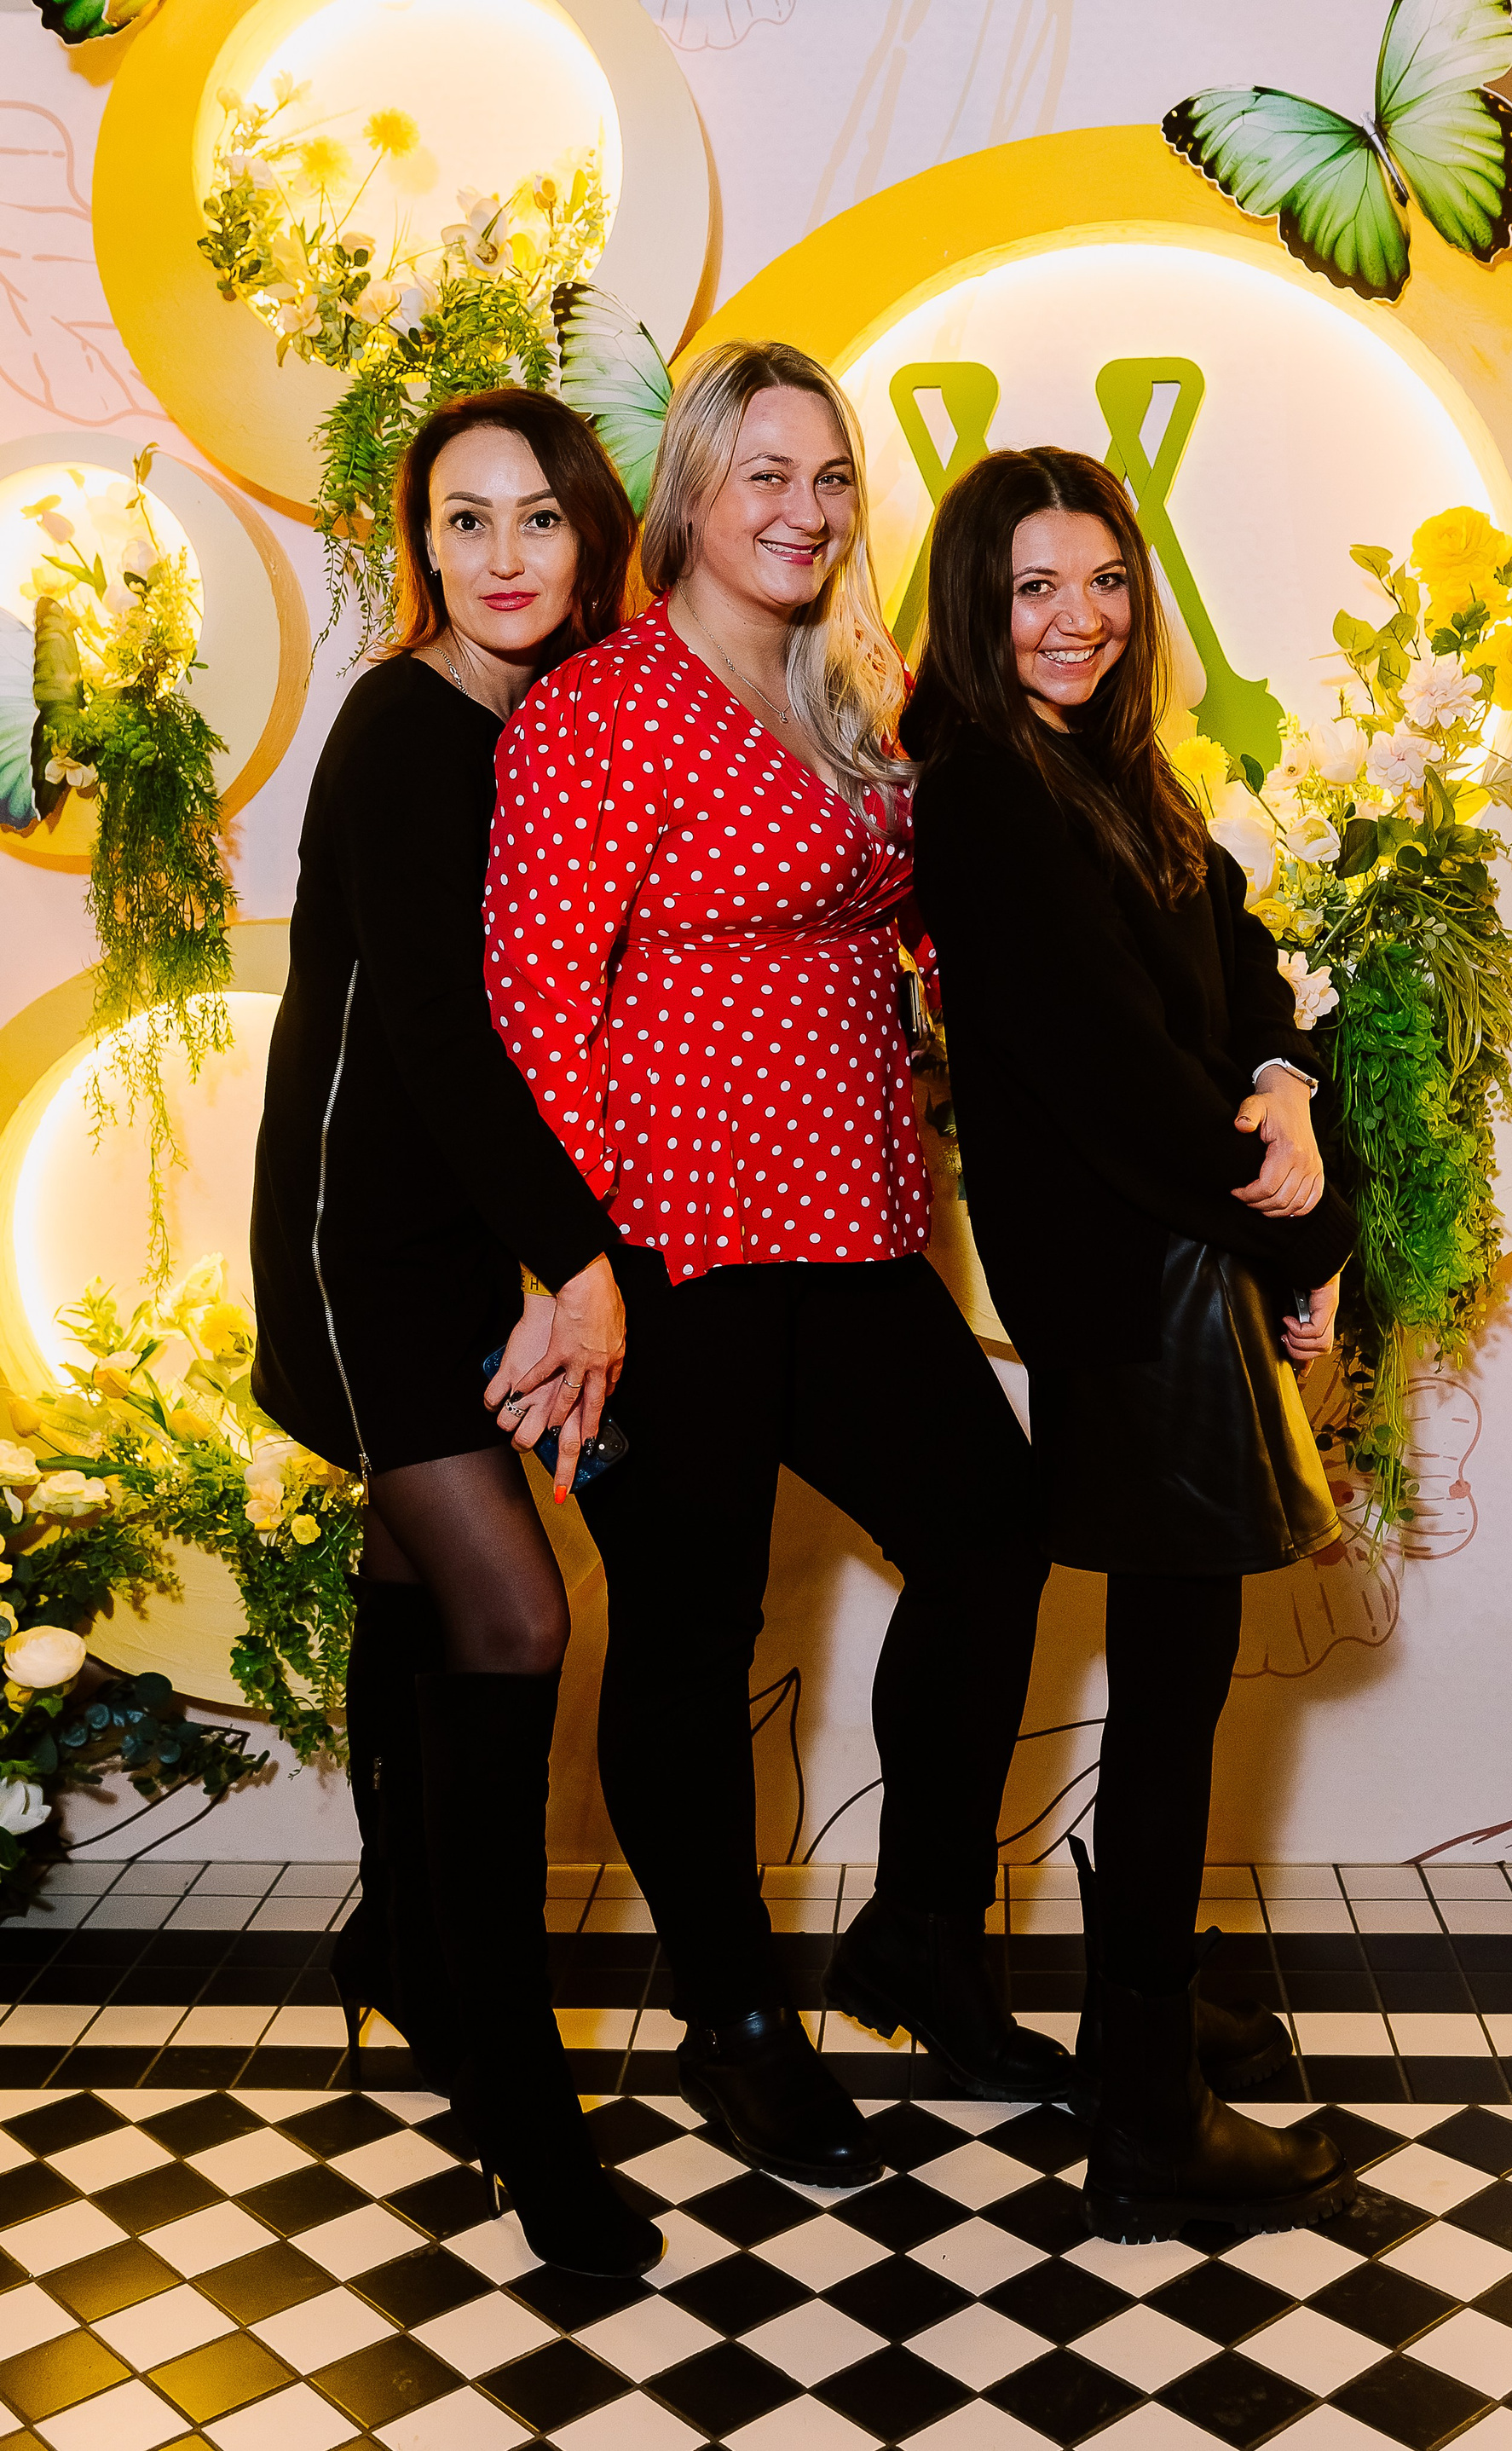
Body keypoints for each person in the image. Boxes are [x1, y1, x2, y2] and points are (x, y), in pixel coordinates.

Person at [482, 340, 1059, 2188]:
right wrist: (571, 1268)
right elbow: (529, 1011)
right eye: (767, 476)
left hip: (854, 1220)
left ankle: (921, 1939)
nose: (805, 512)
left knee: (991, 1529)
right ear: (692, 498)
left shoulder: (849, 692)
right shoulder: (600, 709)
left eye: (831, 479)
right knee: (693, 1628)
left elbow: (931, 915)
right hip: (674, 1242)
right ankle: (733, 2013)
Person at [904, 445, 1359, 2243]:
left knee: (1182, 1676)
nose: (1077, 617)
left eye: (1103, 579)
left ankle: (1137, 2011)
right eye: (1035, 587)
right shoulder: (987, 798)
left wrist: (1287, 1082)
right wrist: (1304, 1222)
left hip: (1183, 1268)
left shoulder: (1108, 770)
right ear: (976, 606)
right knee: (1173, 1690)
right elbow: (1120, 1088)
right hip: (1132, 1293)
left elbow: (1238, 969)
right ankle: (1150, 2113)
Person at [249, 390, 660, 2280]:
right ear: (420, 543)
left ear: (588, 535)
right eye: (464, 519)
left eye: (538, 518)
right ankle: (516, 2092)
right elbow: (433, 1027)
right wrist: (574, 1261)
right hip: (367, 1243)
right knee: (519, 1618)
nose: (502, 556)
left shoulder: (561, 716)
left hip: (457, 1228)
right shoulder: (408, 727)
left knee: (420, 1590)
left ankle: (407, 1948)